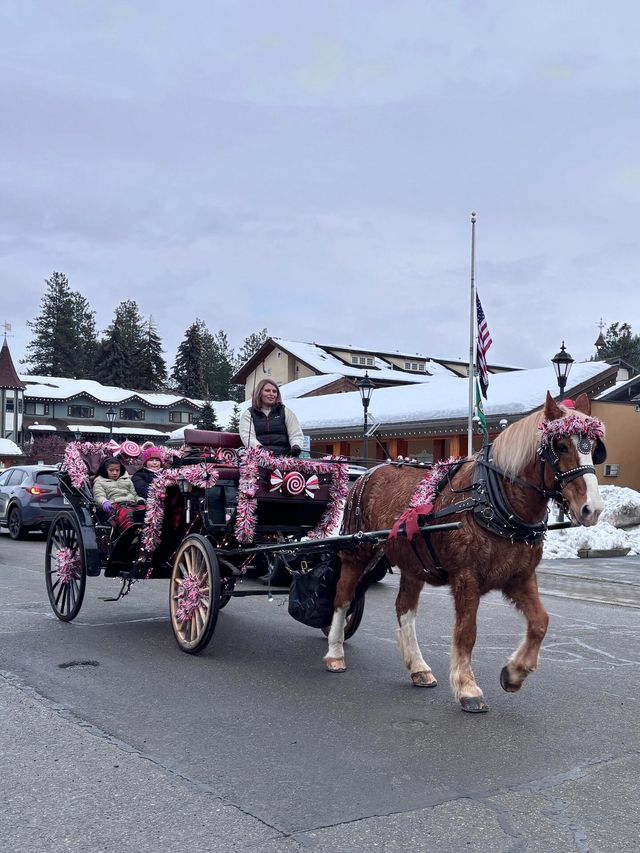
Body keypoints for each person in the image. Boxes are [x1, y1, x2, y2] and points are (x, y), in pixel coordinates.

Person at [239, 379, 304, 457]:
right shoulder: (249, 414)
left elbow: (296, 434)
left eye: (274, 391)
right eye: (267, 390)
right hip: (260, 459)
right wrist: (260, 448)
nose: (271, 394)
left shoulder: (285, 412)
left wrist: (296, 445)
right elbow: (247, 436)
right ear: (259, 393)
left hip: (284, 459)